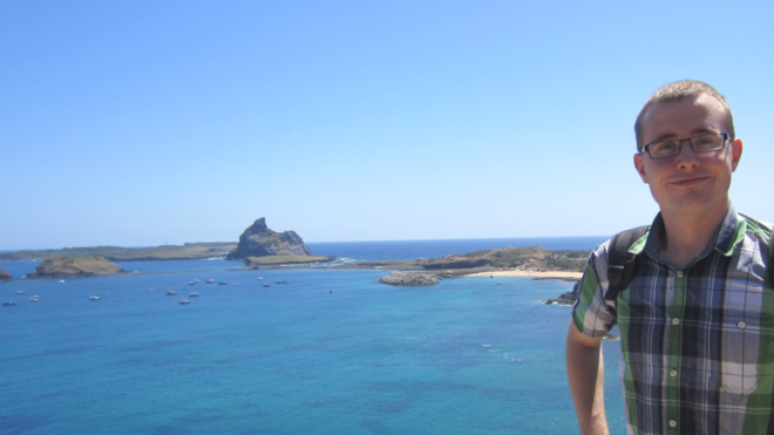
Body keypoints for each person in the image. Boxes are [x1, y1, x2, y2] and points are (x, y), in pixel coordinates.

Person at [565, 80, 773, 435]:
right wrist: (594, 425)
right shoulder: (612, 262)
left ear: (734, 153)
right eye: (665, 146)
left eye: (704, 140)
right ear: (642, 168)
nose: (687, 161)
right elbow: (582, 340)